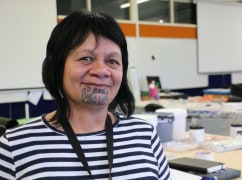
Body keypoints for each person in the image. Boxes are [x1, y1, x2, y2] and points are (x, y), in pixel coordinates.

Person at [0, 11, 171, 179]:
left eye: (112, 61)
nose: (102, 71)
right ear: (58, 66)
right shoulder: (15, 146)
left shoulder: (145, 135)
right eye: (86, 58)